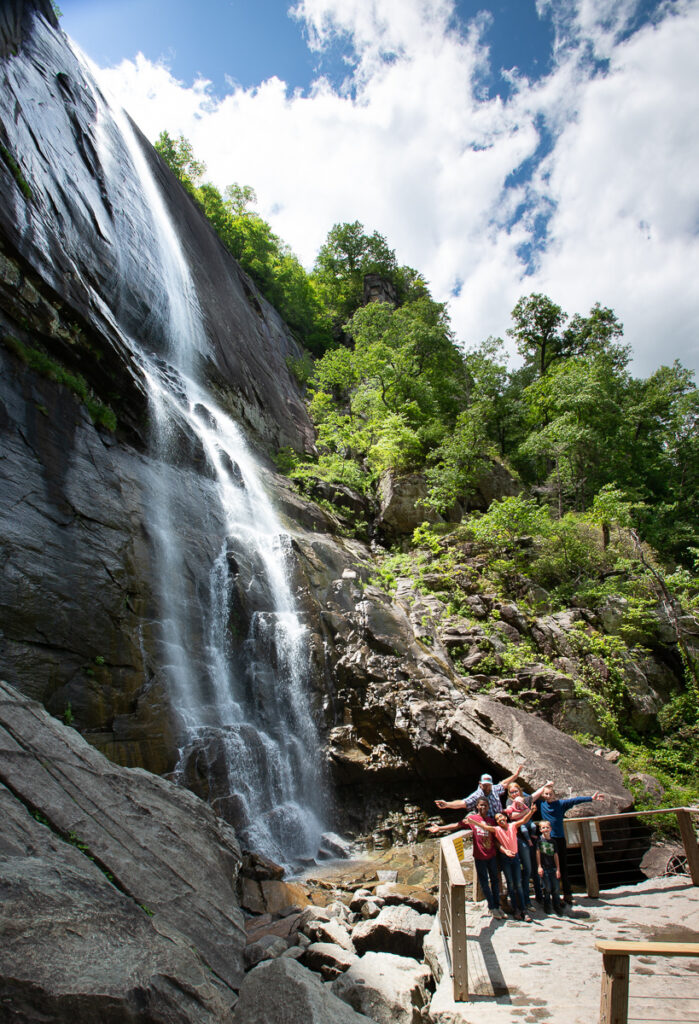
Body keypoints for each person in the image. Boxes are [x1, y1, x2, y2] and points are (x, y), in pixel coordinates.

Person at [428, 797, 505, 919]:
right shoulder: (472, 819)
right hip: (480, 856)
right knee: (484, 882)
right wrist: (440, 828)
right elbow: (457, 825)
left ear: (488, 807)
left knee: (495, 881)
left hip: (491, 855)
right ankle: (492, 907)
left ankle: (497, 905)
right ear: (477, 807)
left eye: (485, 805)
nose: (483, 807)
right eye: (481, 805)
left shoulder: (491, 820)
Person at [466, 804, 537, 921]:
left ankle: (524, 910)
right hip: (505, 858)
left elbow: (524, 820)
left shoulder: (513, 826)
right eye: (497, 819)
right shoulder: (497, 829)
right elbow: (488, 828)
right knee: (510, 883)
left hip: (515, 857)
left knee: (518, 884)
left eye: (501, 817)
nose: (500, 819)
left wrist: (531, 812)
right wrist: (474, 822)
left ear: (506, 818)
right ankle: (516, 910)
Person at [536, 784, 605, 903]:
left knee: (562, 866)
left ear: (554, 794)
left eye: (550, 794)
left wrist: (591, 798)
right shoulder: (541, 805)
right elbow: (527, 798)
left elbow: (575, 800)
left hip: (559, 839)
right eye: (546, 794)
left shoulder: (560, 804)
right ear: (542, 795)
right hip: (547, 840)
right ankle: (551, 895)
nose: (548, 796)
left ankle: (567, 894)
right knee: (548, 867)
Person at [505, 780, 549, 905]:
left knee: (536, 868)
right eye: (511, 792)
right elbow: (513, 816)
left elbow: (536, 794)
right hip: (521, 839)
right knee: (528, 868)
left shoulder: (526, 799)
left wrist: (545, 785)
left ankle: (540, 896)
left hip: (533, 838)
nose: (514, 794)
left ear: (520, 790)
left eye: (516, 791)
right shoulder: (510, 802)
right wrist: (529, 811)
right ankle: (527, 900)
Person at [435, 763, 525, 820]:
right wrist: (447, 804)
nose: (487, 787)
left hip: (501, 820)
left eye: (488, 784)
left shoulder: (494, 789)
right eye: (484, 784)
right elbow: (462, 803)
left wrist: (516, 775)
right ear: (480, 783)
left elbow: (504, 783)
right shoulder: (477, 795)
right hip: (488, 824)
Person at [536, 820, 563, 915]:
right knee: (547, 888)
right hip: (544, 867)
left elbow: (556, 855)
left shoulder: (553, 842)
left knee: (556, 888)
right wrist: (539, 866)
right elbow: (538, 854)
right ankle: (547, 905)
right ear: (540, 829)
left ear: (550, 829)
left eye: (547, 827)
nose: (545, 829)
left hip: (553, 867)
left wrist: (558, 869)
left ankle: (557, 905)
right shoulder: (539, 841)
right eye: (543, 828)